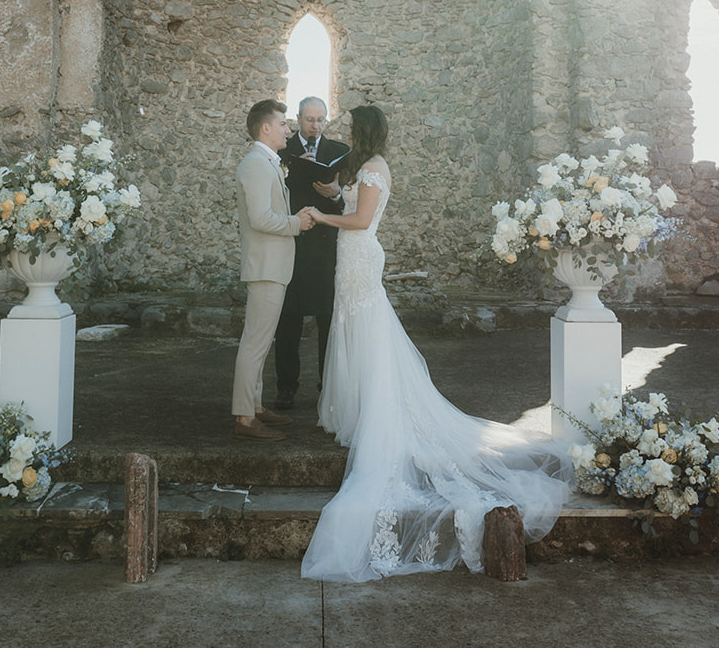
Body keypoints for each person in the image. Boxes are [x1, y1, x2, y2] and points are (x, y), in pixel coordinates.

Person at [299, 105, 573, 581]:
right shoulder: (369, 170)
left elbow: (362, 221)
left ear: (361, 135)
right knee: (354, 330)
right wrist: (334, 193)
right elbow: (358, 204)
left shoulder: (370, 169)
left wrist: (323, 214)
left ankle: (374, 414)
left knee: (365, 332)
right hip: (354, 261)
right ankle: (357, 408)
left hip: (360, 258)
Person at [232, 99, 316, 442]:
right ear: (265, 128)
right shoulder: (256, 164)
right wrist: (298, 222)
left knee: (262, 341)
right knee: (255, 341)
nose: (288, 129)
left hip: (273, 266)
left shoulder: (266, 162)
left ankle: (255, 405)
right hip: (266, 266)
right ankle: (244, 417)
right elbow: (260, 218)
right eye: (283, 124)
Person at [274, 97, 350, 409]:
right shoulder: (282, 149)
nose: (315, 126)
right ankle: (286, 388)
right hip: (291, 244)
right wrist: (295, 171)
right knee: (287, 320)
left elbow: (352, 201)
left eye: (321, 120)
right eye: (309, 120)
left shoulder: (339, 152)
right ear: (298, 119)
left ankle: (326, 387)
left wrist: (337, 193)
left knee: (327, 319)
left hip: (324, 248)